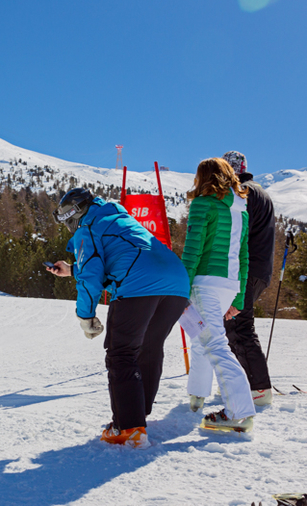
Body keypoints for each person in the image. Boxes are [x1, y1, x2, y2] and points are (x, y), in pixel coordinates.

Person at [49, 188, 189, 448]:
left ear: (76, 212)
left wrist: (86, 316)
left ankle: (129, 427)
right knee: (149, 347)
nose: (68, 222)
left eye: (67, 216)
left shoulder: (87, 227)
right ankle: (138, 414)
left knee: (121, 353)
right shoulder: (115, 217)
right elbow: (119, 258)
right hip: (177, 284)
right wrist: (72, 270)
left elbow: (91, 278)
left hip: (139, 285)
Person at [182, 157, 256, 432]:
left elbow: (193, 250)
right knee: (204, 339)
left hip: (205, 283)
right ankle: (197, 395)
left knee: (214, 344)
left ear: (203, 178)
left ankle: (238, 412)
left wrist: (181, 287)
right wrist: (239, 298)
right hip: (229, 285)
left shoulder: (203, 204)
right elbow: (244, 256)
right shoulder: (241, 210)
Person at [221, 151, 275, 406]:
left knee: (239, 326)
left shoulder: (243, 192)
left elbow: (237, 234)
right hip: (260, 270)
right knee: (234, 325)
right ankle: (246, 384)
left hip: (247, 268)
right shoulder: (259, 191)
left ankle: (258, 388)